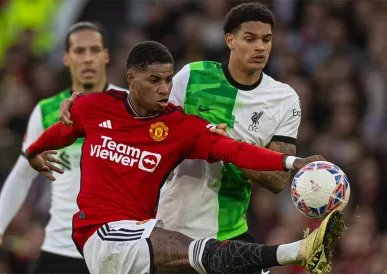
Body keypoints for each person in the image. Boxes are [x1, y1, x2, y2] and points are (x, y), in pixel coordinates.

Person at [24, 41, 344, 274]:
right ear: (131, 79)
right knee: (189, 249)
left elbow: (234, 150)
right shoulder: (93, 107)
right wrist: (34, 151)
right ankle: (301, 251)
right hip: (101, 234)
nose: (165, 89)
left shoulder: (179, 127)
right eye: (154, 80)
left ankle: (300, 253)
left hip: (141, 231)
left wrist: (291, 162)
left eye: (168, 79)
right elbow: (62, 131)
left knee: (197, 253)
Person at [59, 3, 303, 252]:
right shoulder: (192, 77)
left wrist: (229, 148)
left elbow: (278, 180)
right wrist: (88, 104)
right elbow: (141, 113)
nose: (260, 47)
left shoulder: (284, 99)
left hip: (230, 230)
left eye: (266, 39)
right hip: (169, 224)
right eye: (250, 38)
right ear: (230, 40)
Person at [0, 22, 126, 273]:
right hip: (60, 248)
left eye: (94, 50)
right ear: (67, 58)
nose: (87, 58)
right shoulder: (46, 111)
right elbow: (22, 173)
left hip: (115, 251)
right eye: (79, 51)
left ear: (106, 55)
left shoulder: (130, 108)